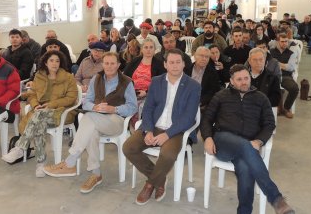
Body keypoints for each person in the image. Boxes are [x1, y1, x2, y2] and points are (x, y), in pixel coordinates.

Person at [201, 64, 295, 214]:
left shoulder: (261, 98)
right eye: (239, 79)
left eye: (246, 78)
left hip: (250, 145)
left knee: (245, 168)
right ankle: (277, 199)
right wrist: (207, 138)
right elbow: (206, 119)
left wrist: (259, 141)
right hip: (223, 141)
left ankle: (244, 211)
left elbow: (270, 124)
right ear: (231, 81)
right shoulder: (221, 96)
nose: (244, 82)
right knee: (246, 147)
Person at [43, 52, 137, 193]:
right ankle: (96, 174)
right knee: (91, 130)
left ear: (118, 65)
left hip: (116, 121)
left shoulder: (127, 82)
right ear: (102, 64)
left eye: (113, 63)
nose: (109, 66)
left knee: (88, 118)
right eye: (106, 63)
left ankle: (70, 161)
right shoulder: (96, 79)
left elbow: (132, 107)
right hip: (95, 118)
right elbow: (86, 101)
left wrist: (114, 109)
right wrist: (94, 107)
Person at [123, 48, 201, 205]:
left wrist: (167, 134)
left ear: (184, 64)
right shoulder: (157, 81)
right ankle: (160, 178)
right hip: (154, 125)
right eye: (171, 62)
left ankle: (150, 184)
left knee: (168, 155)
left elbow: (188, 117)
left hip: (176, 130)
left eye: (178, 62)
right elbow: (149, 108)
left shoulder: (193, 86)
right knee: (128, 147)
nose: (175, 66)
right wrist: (149, 130)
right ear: (165, 64)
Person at [2, 50, 78, 177]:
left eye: (57, 61)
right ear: (45, 63)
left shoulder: (68, 77)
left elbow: (71, 98)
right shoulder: (39, 76)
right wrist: (36, 105)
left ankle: (21, 148)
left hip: (61, 112)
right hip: (40, 112)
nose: (55, 63)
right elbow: (32, 94)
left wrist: (51, 105)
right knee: (39, 120)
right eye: (51, 60)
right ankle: (41, 163)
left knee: (37, 117)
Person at [270, 33, 299, 118]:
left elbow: (290, 67)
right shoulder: (271, 52)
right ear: (278, 42)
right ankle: (276, 108)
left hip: (285, 76)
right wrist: (283, 65)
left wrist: (276, 63)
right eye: (282, 41)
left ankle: (286, 108)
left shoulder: (291, 53)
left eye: (286, 41)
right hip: (273, 76)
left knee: (294, 89)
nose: (285, 43)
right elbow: (268, 65)